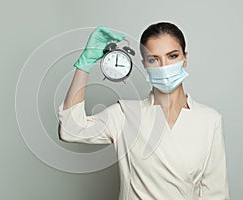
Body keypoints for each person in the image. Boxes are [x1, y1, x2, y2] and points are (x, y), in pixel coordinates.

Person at [57, 22, 230, 199]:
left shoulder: (209, 120)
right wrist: (85, 64)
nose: (164, 66)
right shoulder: (126, 114)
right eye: (154, 59)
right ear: (144, 64)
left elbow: (216, 193)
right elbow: (71, 129)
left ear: (185, 58)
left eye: (172, 56)